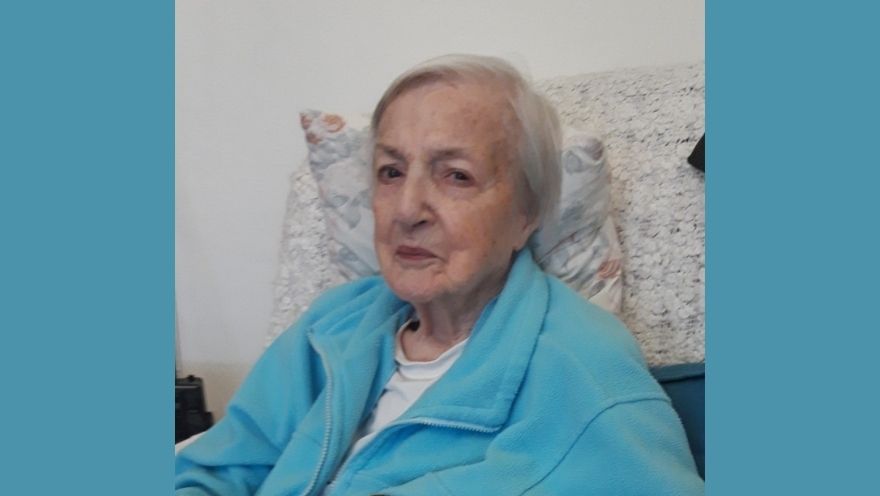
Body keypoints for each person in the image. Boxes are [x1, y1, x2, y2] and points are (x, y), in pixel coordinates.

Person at [175, 54, 704, 495]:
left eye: (456, 176)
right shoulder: (332, 325)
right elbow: (215, 470)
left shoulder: (581, 365)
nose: (407, 209)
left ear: (526, 214)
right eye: (391, 171)